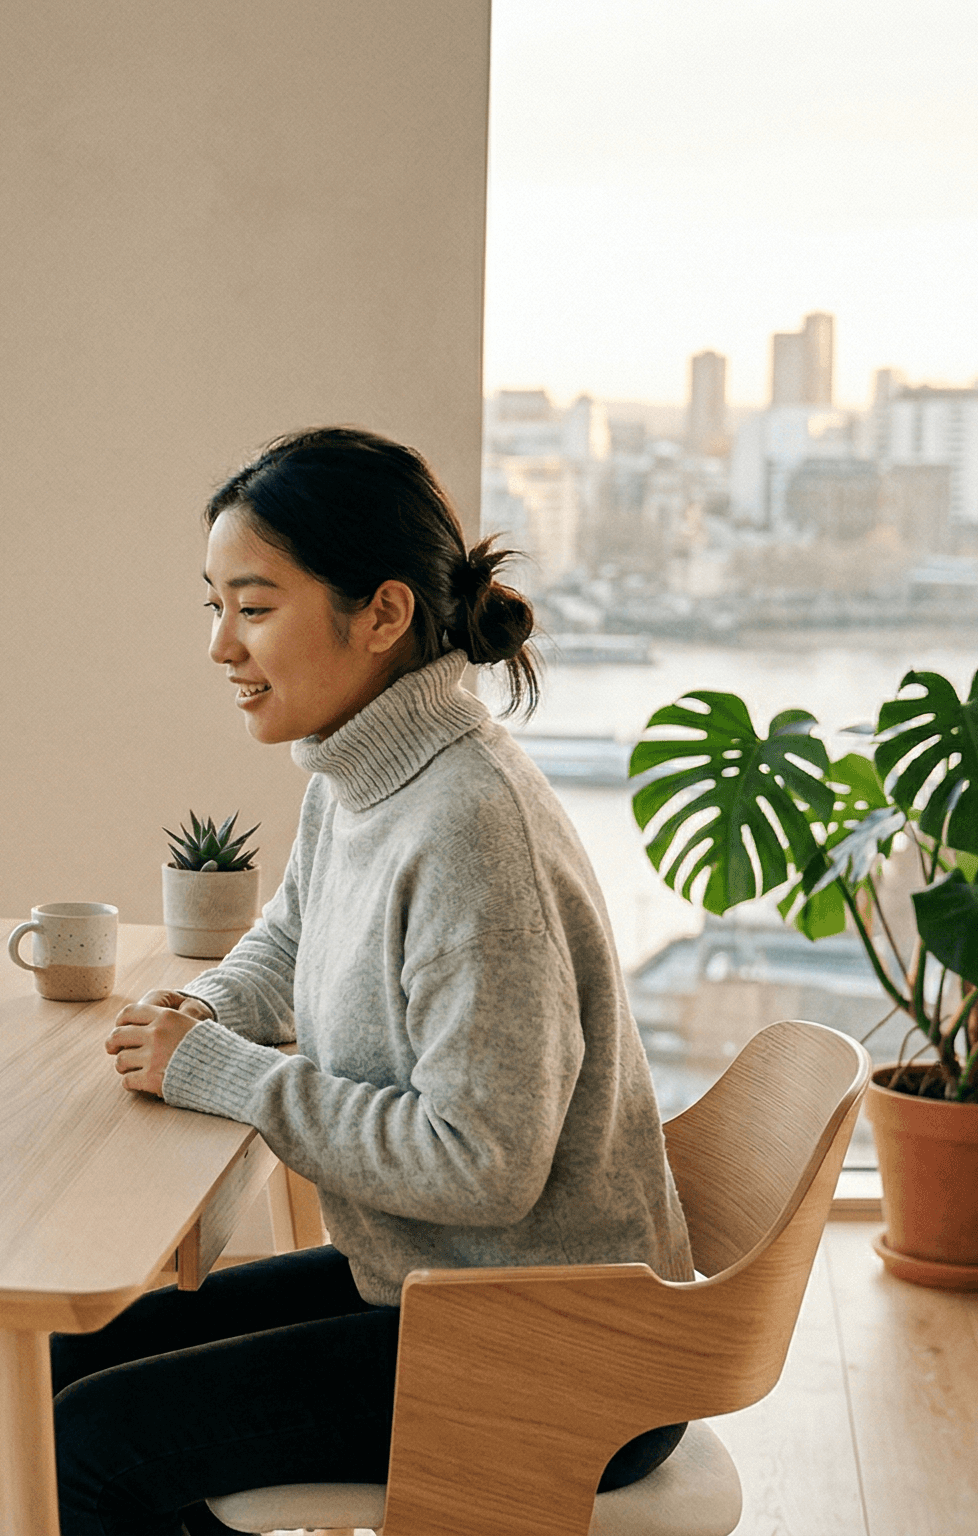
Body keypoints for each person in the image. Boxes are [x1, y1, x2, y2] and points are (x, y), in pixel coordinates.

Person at [69, 426, 694, 1536]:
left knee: (98, 1444)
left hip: (561, 1349)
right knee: (77, 1349)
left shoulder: (468, 828)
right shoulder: (358, 772)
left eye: (253, 607)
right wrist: (206, 1010)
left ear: (384, 614)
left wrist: (226, 1074)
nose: (220, 645)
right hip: (436, 1289)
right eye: (210, 604)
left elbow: (483, 1165)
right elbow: (290, 936)